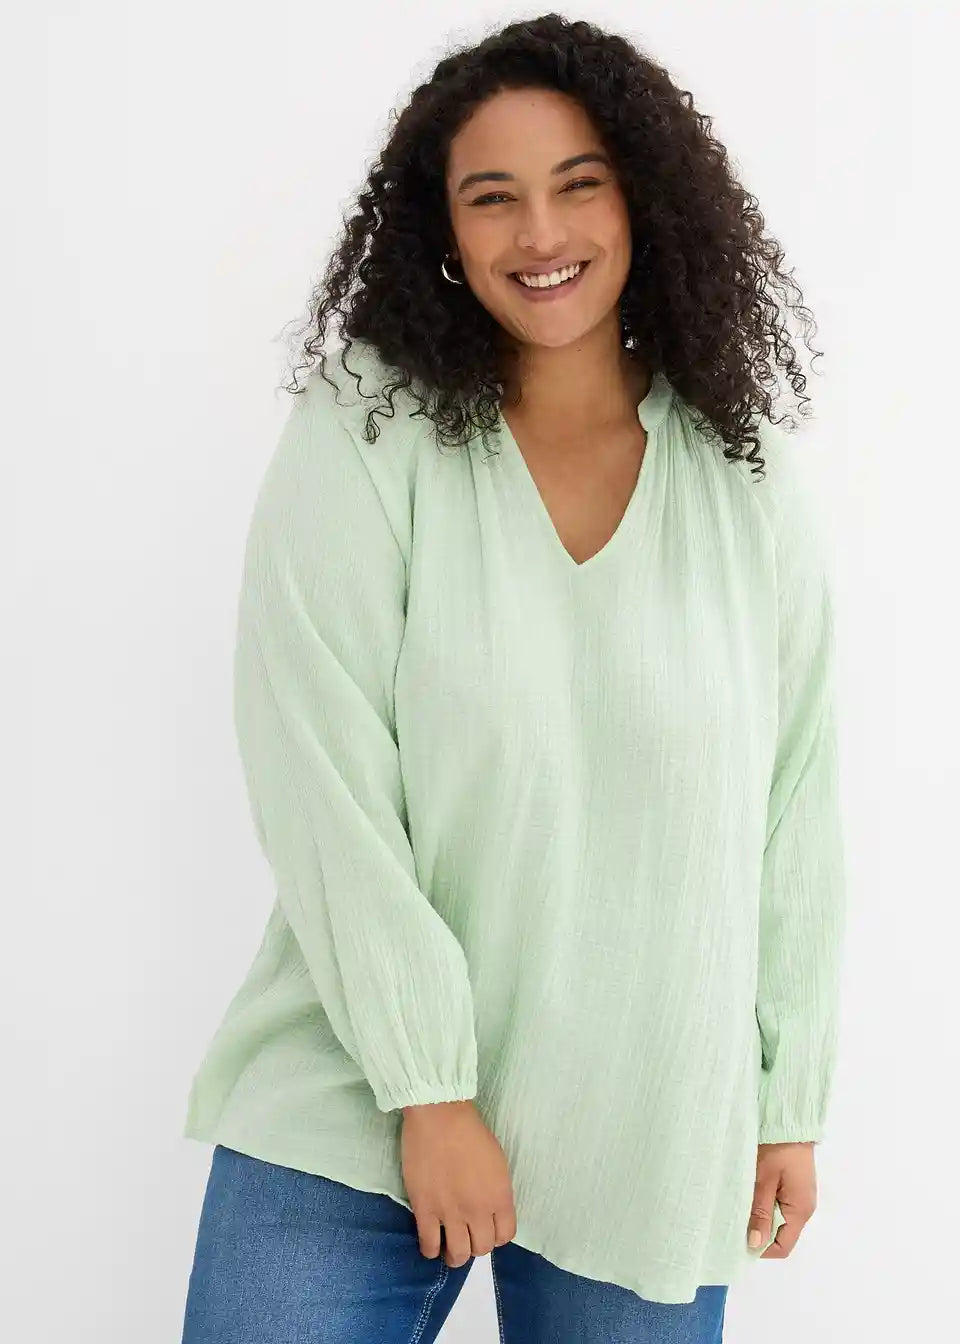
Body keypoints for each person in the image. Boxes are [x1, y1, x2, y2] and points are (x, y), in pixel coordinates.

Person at [179, 13, 846, 1343]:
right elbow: (319, 770)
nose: (540, 233)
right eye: (493, 197)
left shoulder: (740, 469)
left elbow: (795, 801)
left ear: (641, 197)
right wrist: (429, 1090)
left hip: (645, 1110)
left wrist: (786, 1099)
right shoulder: (370, 428)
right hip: (355, 1092)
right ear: (444, 226)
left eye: (577, 184)